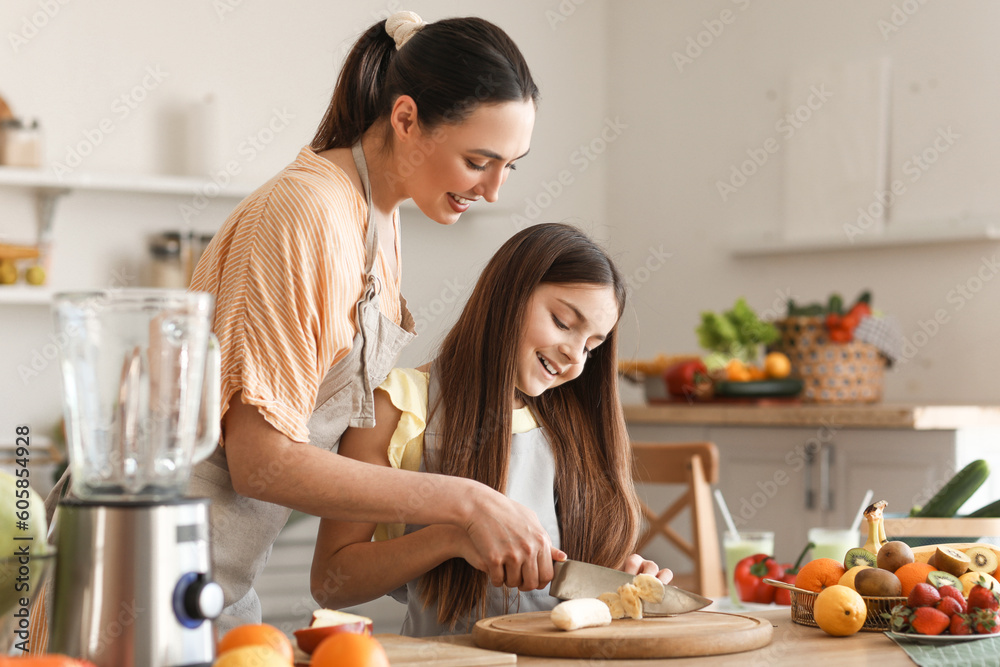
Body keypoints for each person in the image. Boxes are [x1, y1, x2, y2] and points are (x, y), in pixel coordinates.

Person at [187, 11, 560, 632]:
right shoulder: (304, 213)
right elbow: (259, 461)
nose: (493, 189)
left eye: (509, 166)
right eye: (478, 161)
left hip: (221, 581)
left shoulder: (379, 223)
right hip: (147, 566)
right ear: (407, 118)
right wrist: (463, 501)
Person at [310, 223, 674, 637]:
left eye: (592, 346)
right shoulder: (397, 405)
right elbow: (330, 583)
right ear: (508, 294)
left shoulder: (575, 422)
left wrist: (617, 578)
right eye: (562, 321)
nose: (574, 354)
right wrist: (451, 537)